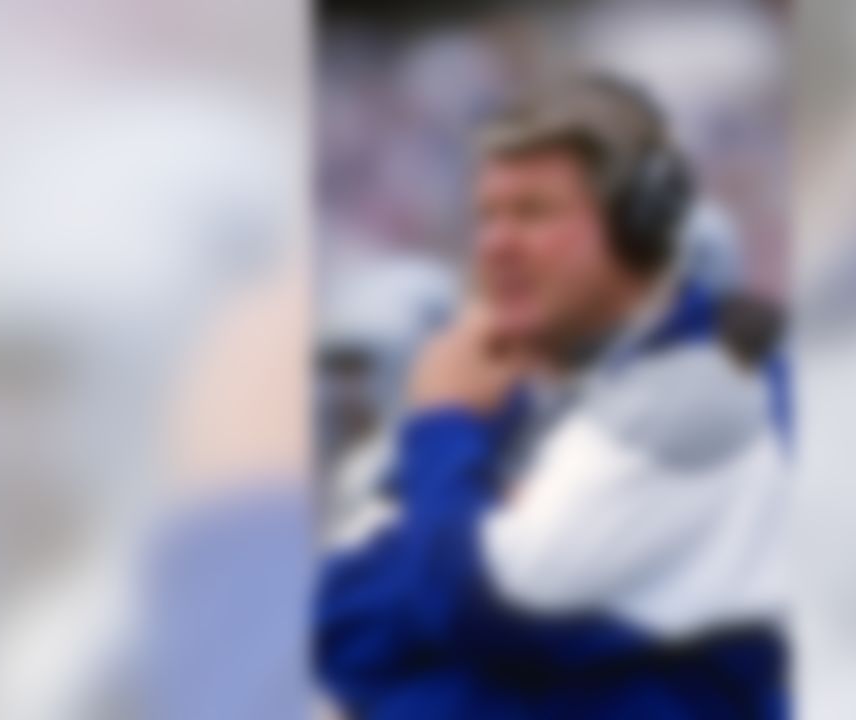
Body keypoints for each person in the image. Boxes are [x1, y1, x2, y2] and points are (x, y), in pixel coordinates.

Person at [312, 74, 790, 719]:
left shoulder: (718, 389)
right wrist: (471, 529)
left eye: (533, 212)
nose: (494, 245)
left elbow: (487, 605)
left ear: (640, 224)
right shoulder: (508, 391)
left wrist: (445, 432)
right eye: (487, 215)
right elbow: (337, 626)